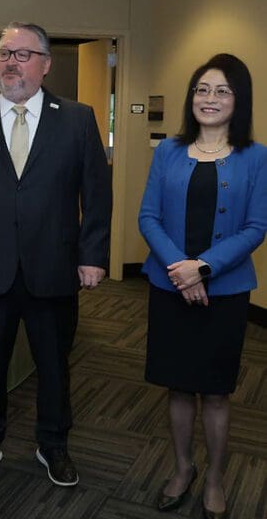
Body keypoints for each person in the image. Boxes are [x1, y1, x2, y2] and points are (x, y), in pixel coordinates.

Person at [0, 22, 111, 487]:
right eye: (3, 53)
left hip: (53, 270)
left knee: (54, 367)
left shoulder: (77, 118)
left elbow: (96, 194)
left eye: (22, 54)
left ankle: (53, 445)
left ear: (46, 64)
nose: (10, 62)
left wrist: (93, 255)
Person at [139, 54, 267, 519]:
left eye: (221, 91)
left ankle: (214, 477)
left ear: (240, 100)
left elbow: (256, 227)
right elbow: (147, 217)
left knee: (215, 392)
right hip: (169, 287)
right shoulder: (168, 152)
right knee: (177, 388)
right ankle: (182, 468)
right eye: (201, 90)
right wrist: (180, 268)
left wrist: (204, 268)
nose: (208, 99)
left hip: (225, 293)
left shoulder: (257, 157)